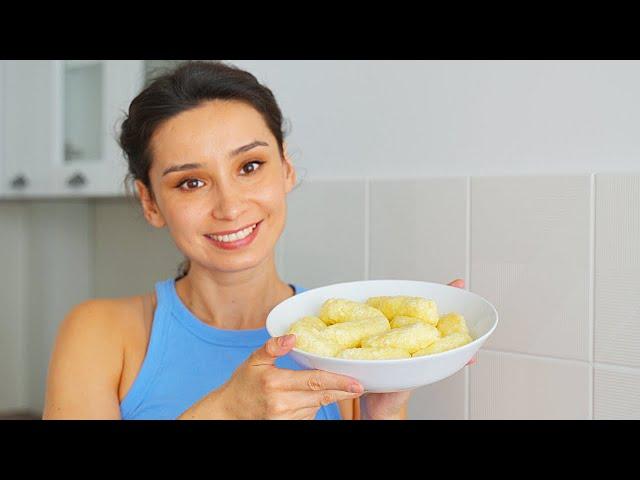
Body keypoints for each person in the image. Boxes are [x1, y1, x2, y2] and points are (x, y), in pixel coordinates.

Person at [43, 60, 471, 420]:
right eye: (191, 182)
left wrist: (385, 410)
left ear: (286, 168)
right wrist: (225, 411)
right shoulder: (100, 334)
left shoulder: (343, 345)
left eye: (249, 166)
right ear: (150, 202)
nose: (229, 206)